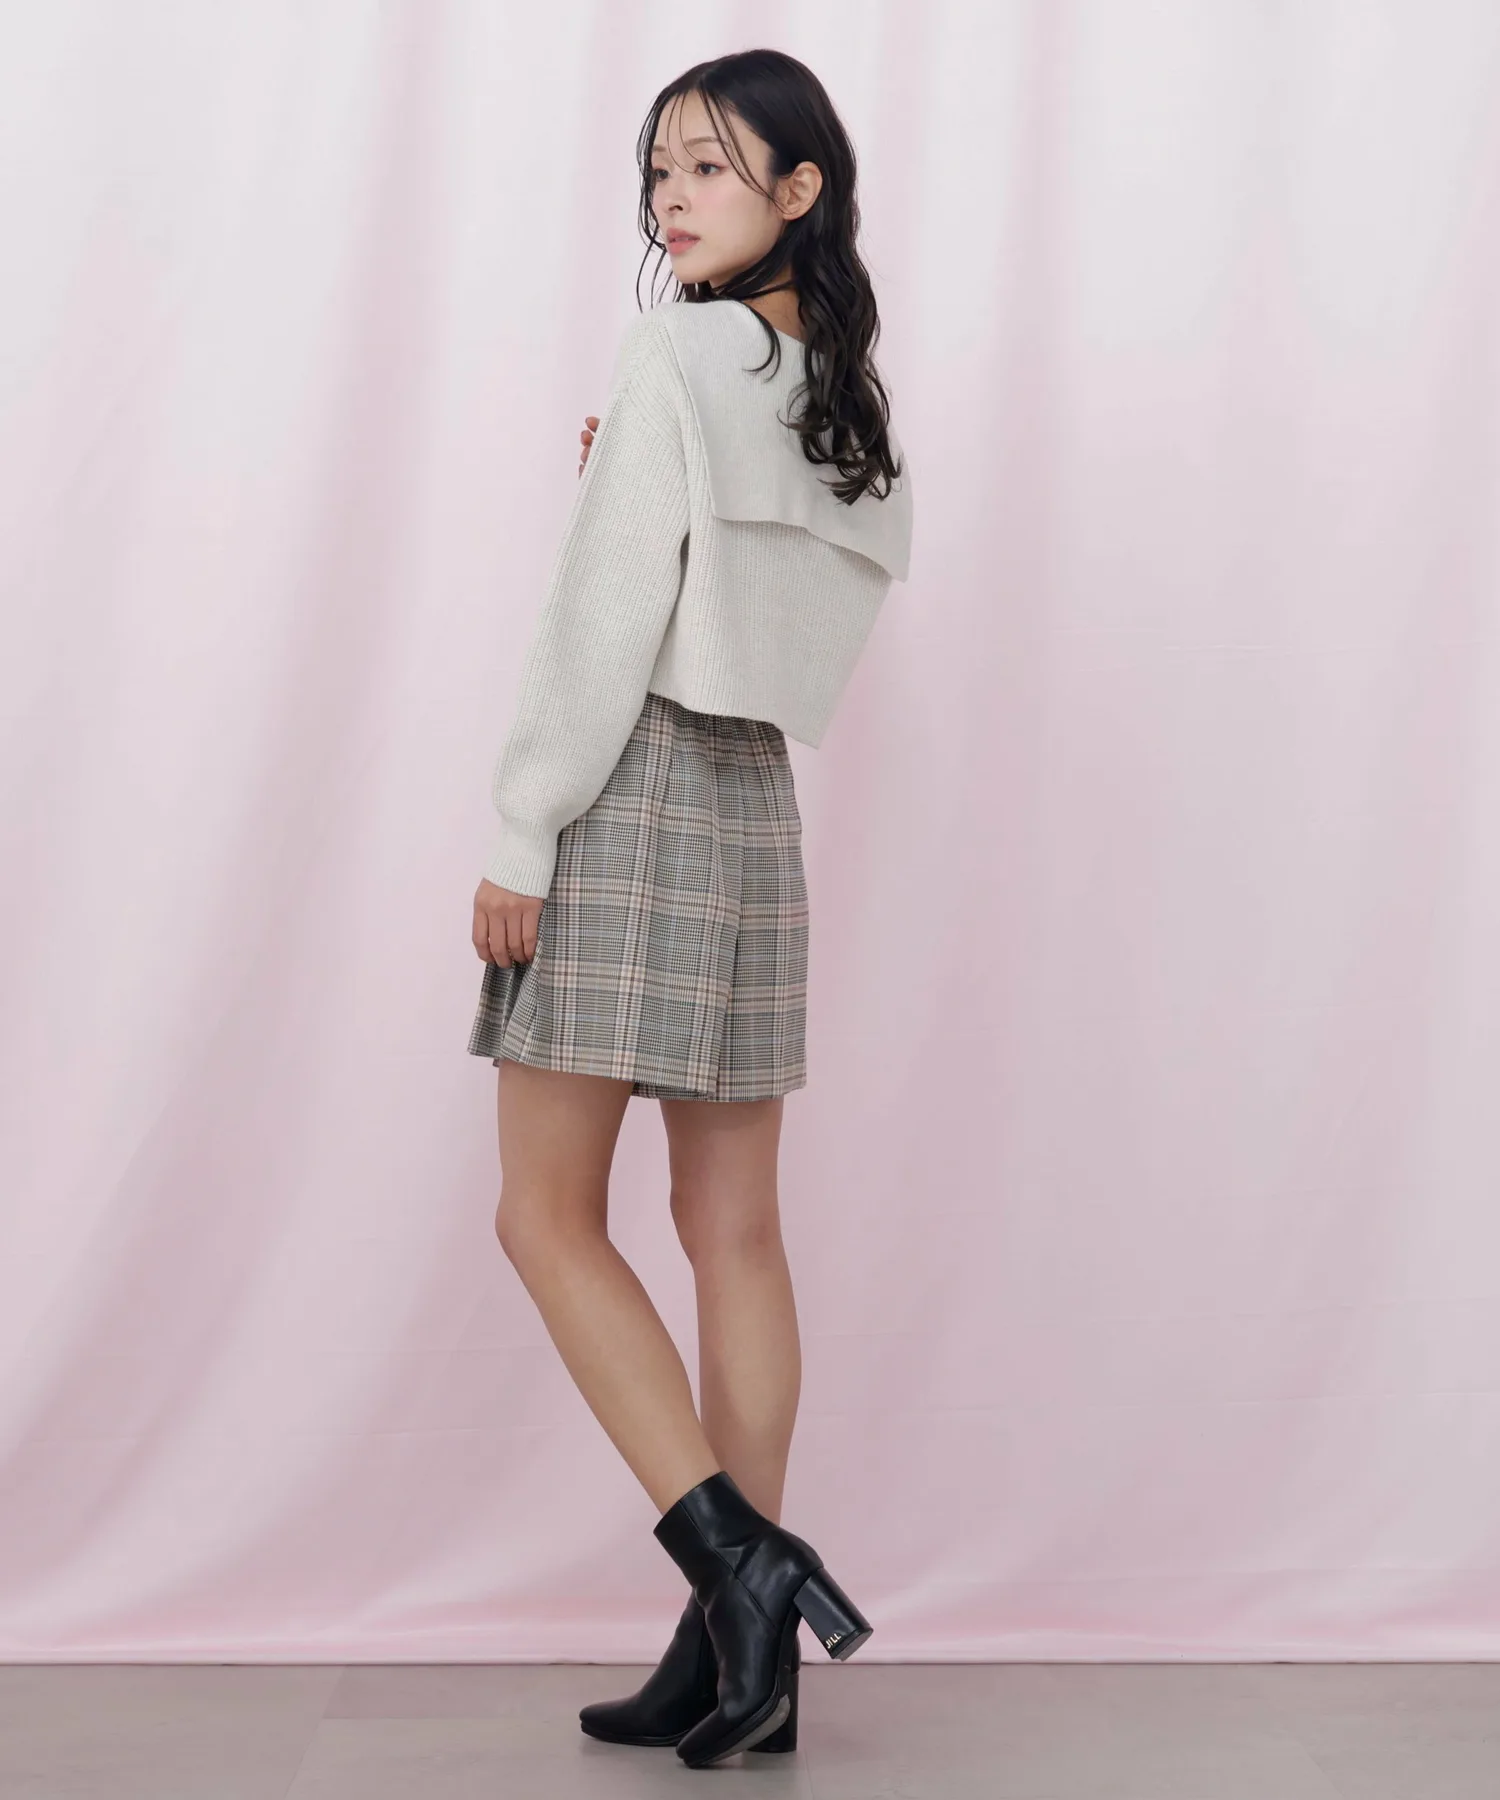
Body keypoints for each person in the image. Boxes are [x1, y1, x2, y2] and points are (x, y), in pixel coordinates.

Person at [467, 48, 913, 1769]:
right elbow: (788, 611)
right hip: (753, 809)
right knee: (736, 1229)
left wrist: (524, 825)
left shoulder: (673, 353)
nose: (672, 196)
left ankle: (737, 1565)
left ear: (801, 188)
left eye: (712, 166)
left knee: (543, 1214)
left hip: (630, 782)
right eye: (660, 167)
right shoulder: (846, 402)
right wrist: (645, 474)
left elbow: (604, 620)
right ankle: (743, 1651)